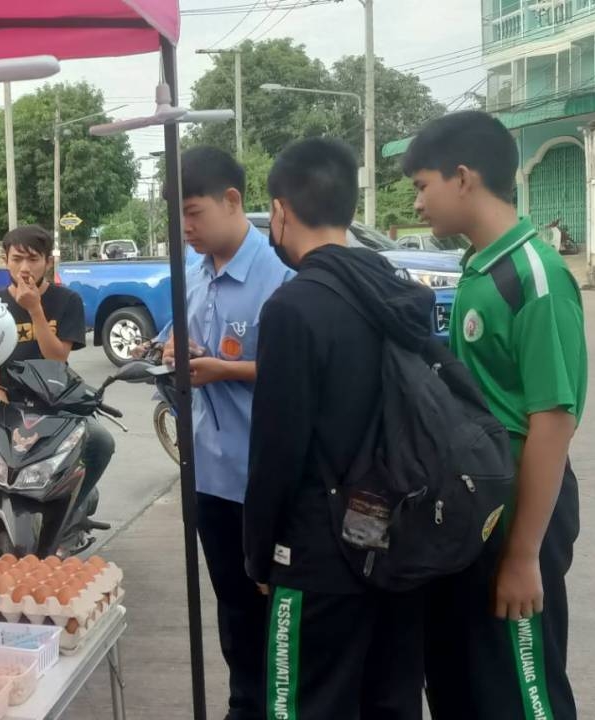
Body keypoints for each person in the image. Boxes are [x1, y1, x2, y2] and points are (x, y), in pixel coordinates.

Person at [403, 111, 585, 720]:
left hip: (519, 515)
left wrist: (523, 554)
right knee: (466, 683)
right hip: (474, 509)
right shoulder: (477, 270)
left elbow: (553, 420)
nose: (418, 202)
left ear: (463, 178)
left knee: (522, 691)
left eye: (422, 185)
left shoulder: (534, 275)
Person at [245, 138, 434, 719]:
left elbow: (278, 451)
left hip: (317, 557)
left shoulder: (293, 307)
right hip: (400, 546)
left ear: (279, 211)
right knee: (391, 704)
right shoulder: (400, 292)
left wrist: (258, 556)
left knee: (301, 704)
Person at [149, 146, 294, 720]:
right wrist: (171, 352)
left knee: (273, 614)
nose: (185, 229)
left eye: (193, 213)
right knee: (231, 606)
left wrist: (226, 370)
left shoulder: (281, 276)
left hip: (263, 479)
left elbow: (300, 375)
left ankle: (276, 705)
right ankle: (244, 705)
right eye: (177, 217)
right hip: (208, 473)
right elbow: (174, 343)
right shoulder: (194, 275)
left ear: (233, 200)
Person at [0, 225, 111, 526]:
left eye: (33, 259)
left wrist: (35, 309)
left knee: (102, 442)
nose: (24, 268)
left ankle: (75, 506)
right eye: (16, 259)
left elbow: (57, 357)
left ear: (48, 262)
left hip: (55, 404)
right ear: (5, 260)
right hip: (8, 404)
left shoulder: (67, 301)